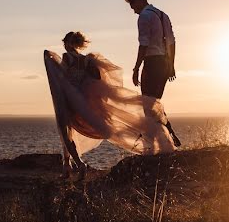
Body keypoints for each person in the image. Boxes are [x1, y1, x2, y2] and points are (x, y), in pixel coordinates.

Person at [44, 31, 176, 179]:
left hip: (70, 98)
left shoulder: (67, 57)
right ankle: (67, 166)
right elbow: (97, 77)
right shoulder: (87, 60)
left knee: (65, 130)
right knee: (68, 131)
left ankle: (78, 164)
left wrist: (49, 59)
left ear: (69, 43)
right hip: (83, 98)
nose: (64, 46)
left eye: (65, 43)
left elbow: (63, 74)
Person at [124, 0, 181, 146]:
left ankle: (158, 140)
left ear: (140, 0)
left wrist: (136, 69)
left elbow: (143, 44)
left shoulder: (144, 16)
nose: (132, 9)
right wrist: (171, 65)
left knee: (149, 105)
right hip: (164, 62)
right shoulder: (163, 15)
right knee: (155, 103)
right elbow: (172, 42)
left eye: (133, 4)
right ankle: (167, 138)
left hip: (152, 62)